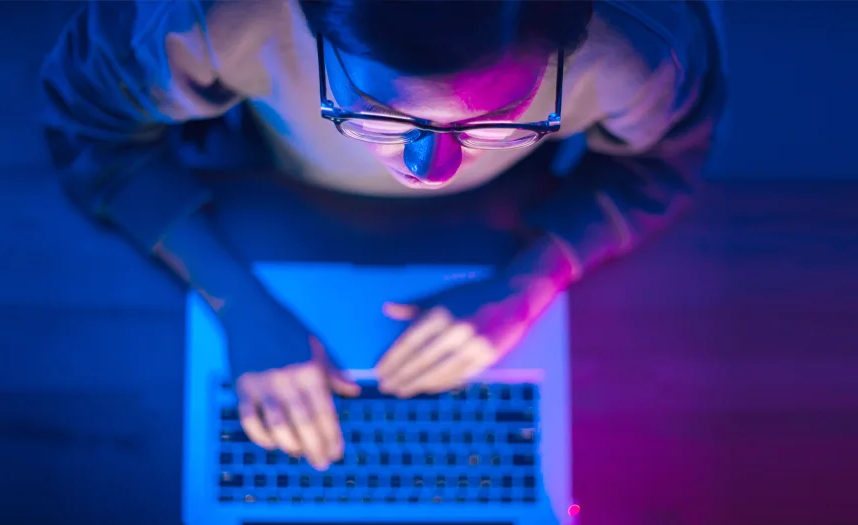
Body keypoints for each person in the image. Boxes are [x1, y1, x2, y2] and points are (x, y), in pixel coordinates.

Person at [42, 0, 726, 470]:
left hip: (500, 221)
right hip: (257, 185)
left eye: (497, 119)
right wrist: (234, 301)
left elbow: (661, 165)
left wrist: (534, 277)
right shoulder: (197, 19)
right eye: (377, 113)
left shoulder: (642, 52)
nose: (432, 172)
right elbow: (92, 134)